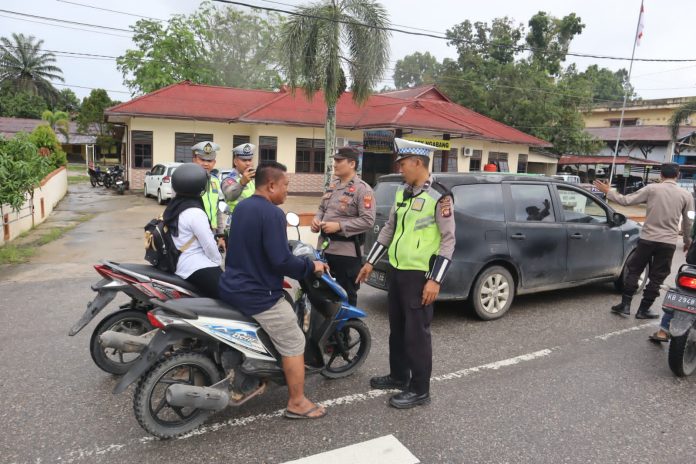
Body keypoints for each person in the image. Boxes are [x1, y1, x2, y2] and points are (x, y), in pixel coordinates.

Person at [219, 161, 329, 420]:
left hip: (231, 286)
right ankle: (297, 402)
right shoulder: (272, 214)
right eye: (285, 185)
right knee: (294, 340)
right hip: (258, 293)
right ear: (271, 185)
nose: (287, 190)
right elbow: (281, 261)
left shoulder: (242, 207)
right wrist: (310, 266)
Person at [356, 138, 456, 409]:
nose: (399, 169)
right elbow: (390, 228)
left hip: (419, 275)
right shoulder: (403, 192)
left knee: (416, 334)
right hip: (397, 271)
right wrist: (370, 262)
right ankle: (399, 376)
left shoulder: (440, 196)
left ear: (418, 162)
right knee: (397, 329)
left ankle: (420, 390)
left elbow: (448, 240)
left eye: (403, 164)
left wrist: (435, 279)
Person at [593, 163, 693, 328]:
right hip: (668, 242)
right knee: (657, 277)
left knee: (635, 270)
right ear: (678, 175)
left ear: (661, 175)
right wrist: (688, 241)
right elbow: (688, 222)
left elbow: (626, 201)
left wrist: (608, 192)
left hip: (647, 239)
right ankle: (643, 309)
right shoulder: (686, 195)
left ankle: (625, 305)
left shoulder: (652, 189)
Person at [311, 146, 375, 306]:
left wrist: (339, 226)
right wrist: (316, 220)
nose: (335, 164)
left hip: (346, 254)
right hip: (324, 250)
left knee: (345, 297)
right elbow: (322, 208)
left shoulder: (362, 189)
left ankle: (345, 324)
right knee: (322, 295)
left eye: (339, 161)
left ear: (352, 164)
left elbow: (368, 220)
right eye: (335, 160)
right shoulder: (333, 185)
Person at [163, 163, 223, 298]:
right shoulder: (195, 212)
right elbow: (209, 244)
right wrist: (218, 263)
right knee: (229, 293)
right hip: (194, 265)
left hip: (176, 261)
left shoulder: (174, 206)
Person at [190, 141, 226, 252]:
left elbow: (218, 210)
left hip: (212, 232)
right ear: (194, 160)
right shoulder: (188, 180)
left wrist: (221, 235)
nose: (206, 164)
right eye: (202, 159)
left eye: (209, 161)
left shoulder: (215, 181)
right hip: (193, 234)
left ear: (214, 162)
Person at [221, 143, 257, 216]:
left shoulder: (253, 179)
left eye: (250, 160)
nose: (248, 163)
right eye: (244, 160)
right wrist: (241, 183)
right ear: (235, 162)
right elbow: (230, 196)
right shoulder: (229, 179)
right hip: (237, 218)